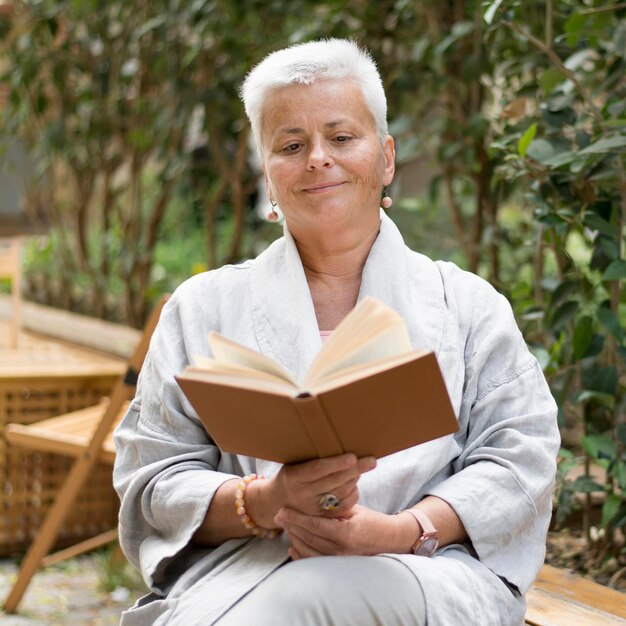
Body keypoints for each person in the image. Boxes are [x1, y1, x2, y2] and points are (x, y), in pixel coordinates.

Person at [113, 38, 560, 626]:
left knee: (311, 597)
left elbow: (520, 456)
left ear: (387, 157)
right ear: (268, 178)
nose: (317, 158)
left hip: (425, 572)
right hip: (248, 569)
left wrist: (400, 530)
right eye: (290, 145)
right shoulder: (203, 309)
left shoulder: (468, 306)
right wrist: (264, 502)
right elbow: (153, 478)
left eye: (342, 137)